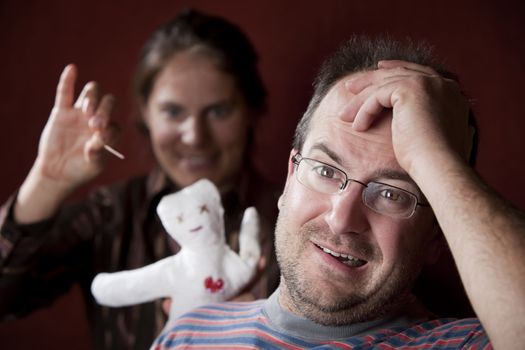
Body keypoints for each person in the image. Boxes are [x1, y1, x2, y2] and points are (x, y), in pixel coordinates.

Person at [152, 35, 525, 350]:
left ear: (437, 235)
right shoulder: (187, 335)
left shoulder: (467, 343)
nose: (341, 218)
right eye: (326, 171)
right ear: (289, 178)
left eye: (392, 194)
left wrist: (432, 157)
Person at [0, 9, 280, 350]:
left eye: (219, 111)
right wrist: (47, 180)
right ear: (146, 112)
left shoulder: (291, 220)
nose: (194, 136)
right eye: (173, 111)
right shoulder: (111, 214)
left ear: (251, 110)